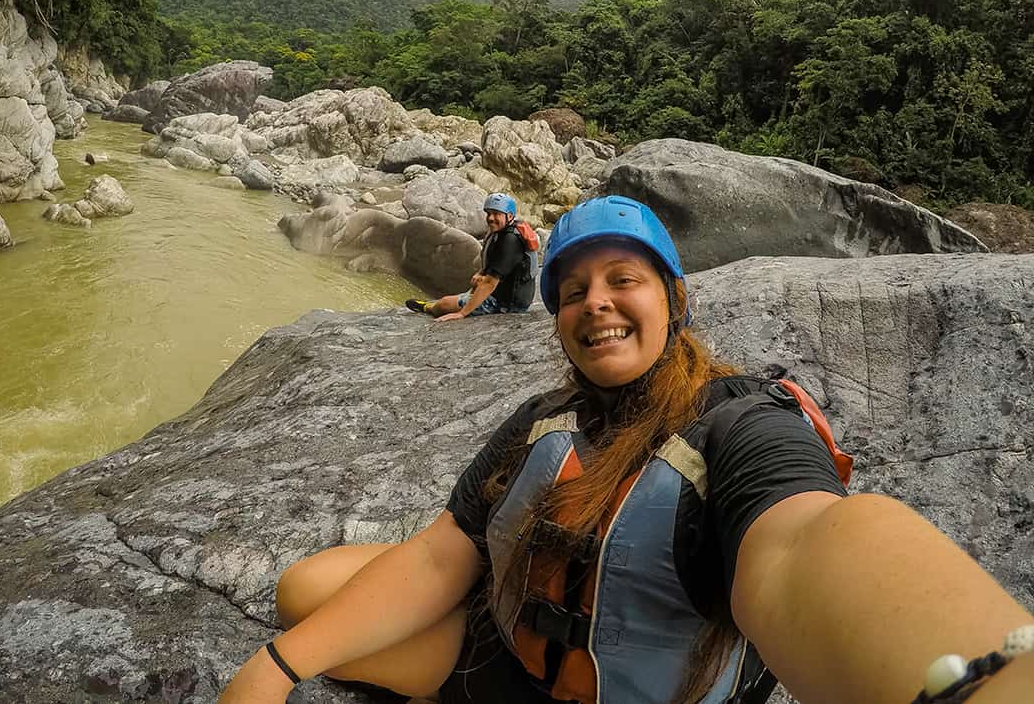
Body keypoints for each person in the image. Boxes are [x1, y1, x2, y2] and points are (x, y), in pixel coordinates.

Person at [220, 195, 1034, 704]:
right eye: (574, 292)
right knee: (308, 591)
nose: (595, 304)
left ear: (673, 298)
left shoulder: (738, 423)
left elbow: (804, 543)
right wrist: (277, 669)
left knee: (330, 608)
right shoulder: (547, 418)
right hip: (516, 664)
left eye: (623, 280)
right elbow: (443, 555)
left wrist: (981, 671)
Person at [406, 192, 536, 322]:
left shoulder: (510, 241)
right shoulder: (504, 232)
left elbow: (490, 283)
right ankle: (441, 303)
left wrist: (462, 313)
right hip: (504, 293)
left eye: (496, 214)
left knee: (444, 304)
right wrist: (481, 272)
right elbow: (497, 263)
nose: (490, 218)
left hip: (507, 305)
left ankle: (428, 308)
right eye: (489, 213)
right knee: (459, 296)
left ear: (509, 216)